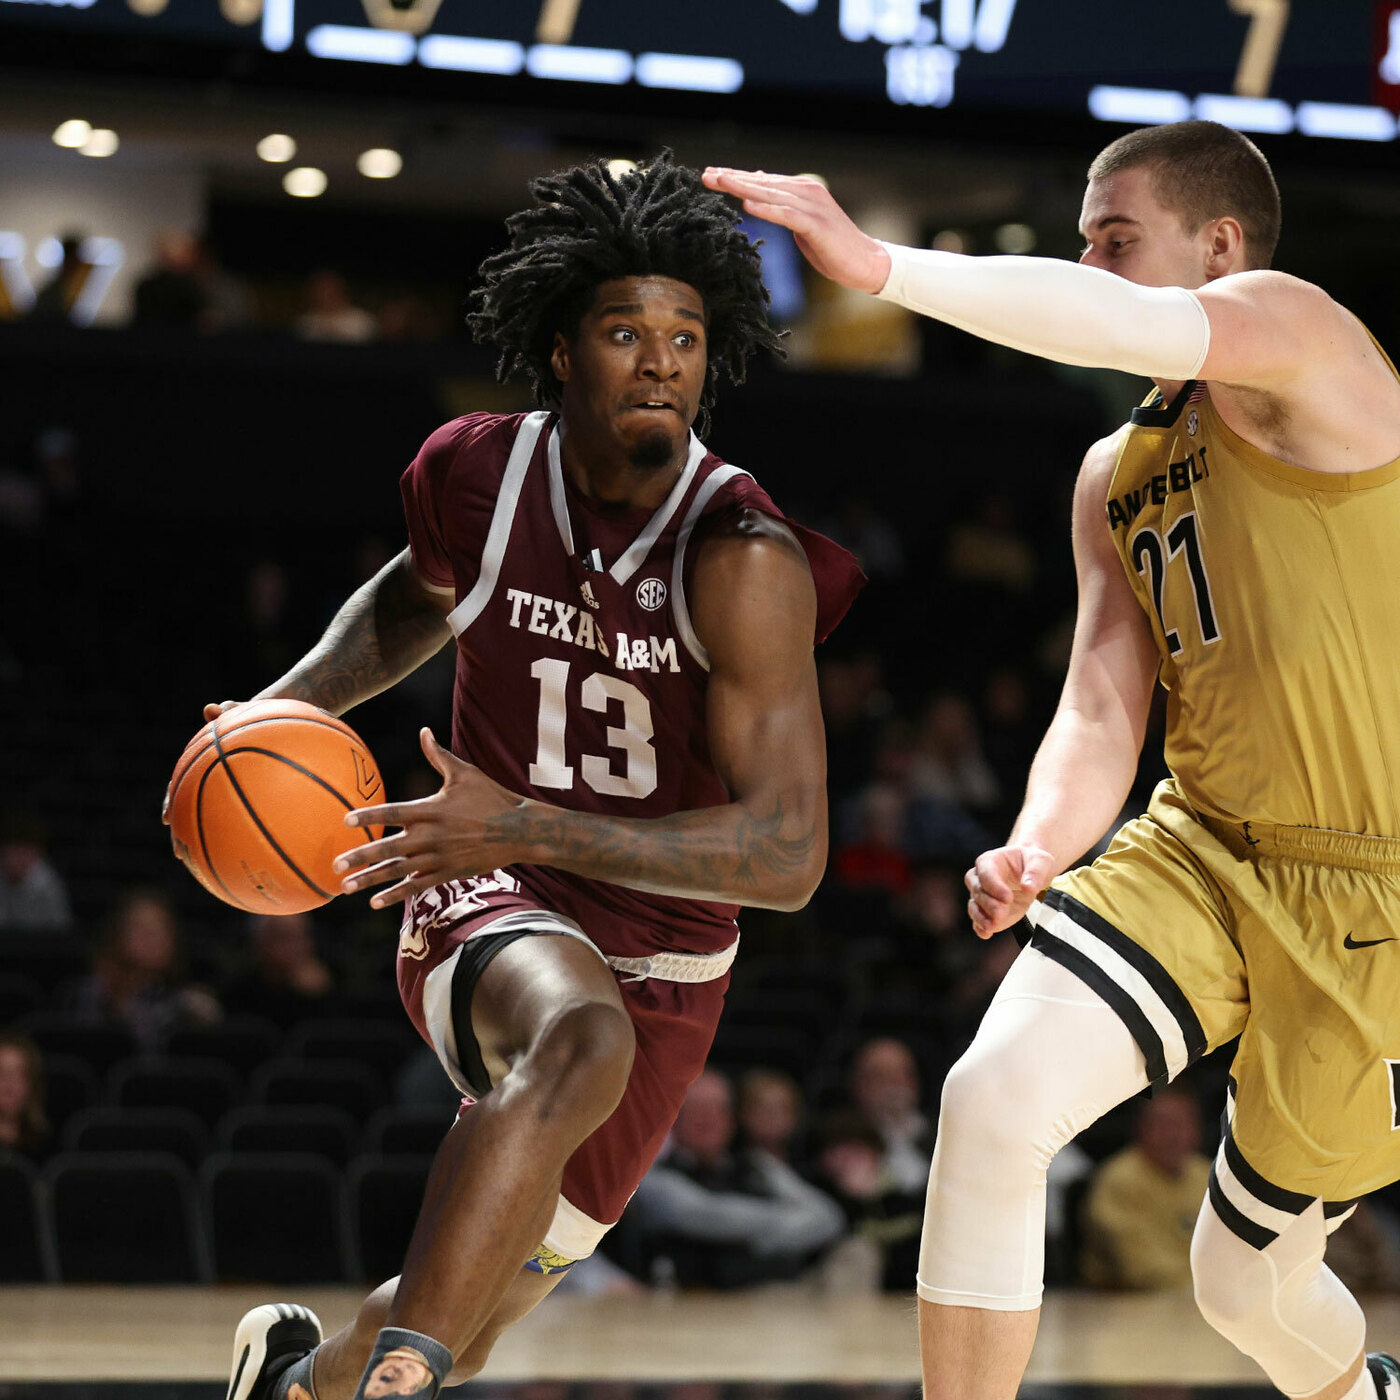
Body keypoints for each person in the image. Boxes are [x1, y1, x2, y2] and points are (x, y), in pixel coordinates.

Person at [706, 120, 1400, 1400]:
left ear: (1220, 246)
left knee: (1239, 1285)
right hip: (1195, 847)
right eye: (1079, 239)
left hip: (1371, 889)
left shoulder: (1308, 341)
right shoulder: (1113, 472)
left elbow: (1102, 322)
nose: (1085, 260)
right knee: (987, 1102)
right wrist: (1038, 838)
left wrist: (872, 265)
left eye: (1114, 239)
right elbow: (1099, 697)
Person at [198, 153, 863, 1400]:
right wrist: (288, 705)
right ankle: (407, 1383)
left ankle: (298, 1380)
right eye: (627, 331)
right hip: (483, 880)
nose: (662, 359)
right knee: (575, 1033)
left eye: (686, 335)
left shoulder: (742, 554)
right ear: (563, 349)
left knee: (483, 1293)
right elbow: (414, 598)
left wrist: (532, 819)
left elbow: (785, 854)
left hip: (667, 945)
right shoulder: (473, 472)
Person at [626, 1069, 845, 1288]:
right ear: (673, 1117)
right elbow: (708, 1216)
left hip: (782, 1286)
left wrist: (752, 1238)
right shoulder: (655, 1178)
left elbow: (828, 1217)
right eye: (696, 1109)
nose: (708, 1119)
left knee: (854, 1254)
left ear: (731, 1118)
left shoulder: (758, 1164)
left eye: (718, 1109)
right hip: (700, 1299)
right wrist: (780, 1225)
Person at [1080, 1087, 1211, 1290]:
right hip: (1120, 1304)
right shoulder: (1119, 1180)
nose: (1173, 1135)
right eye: (1162, 1124)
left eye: (1181, 1124)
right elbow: (1139, 1268)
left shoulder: (1207, 1175)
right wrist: (1211, 1290)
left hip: (1196, 1298)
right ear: (1141, 1128)